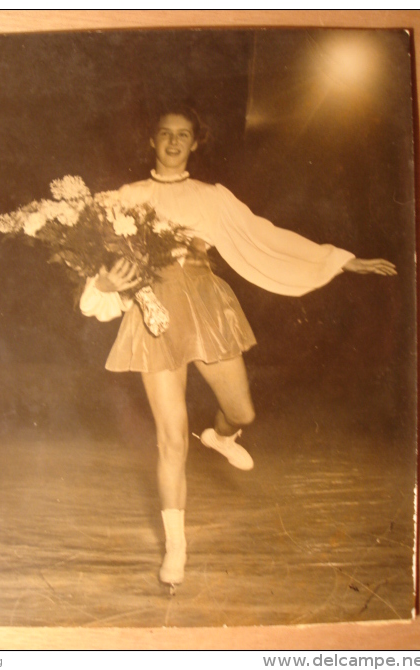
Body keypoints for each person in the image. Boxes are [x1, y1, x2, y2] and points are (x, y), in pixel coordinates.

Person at [79, 105, 397, 587]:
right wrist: (103, 282)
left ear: (195, 142)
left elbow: (265, 235)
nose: (172, 142)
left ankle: (221, 437)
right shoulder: (124, 197)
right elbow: (95, 262)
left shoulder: (212, 198)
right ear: (152, 140)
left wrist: (339, 259)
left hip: (206, 307)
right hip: (152, 313)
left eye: (182, 135)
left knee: (243, 412)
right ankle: (176, 550)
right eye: (164, 133)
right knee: (169, 438)